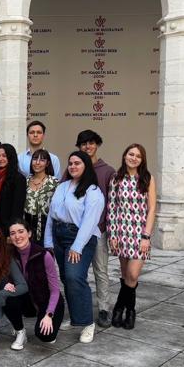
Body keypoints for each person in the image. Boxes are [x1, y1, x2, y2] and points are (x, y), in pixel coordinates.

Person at [44, 151, 104, 343]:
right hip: (58, 235)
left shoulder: (93, 191)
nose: (73, 166)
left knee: (74, 276)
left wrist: (77, 247)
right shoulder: (62, 187)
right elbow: (51, 216)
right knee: (65, 277)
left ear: (86, 165)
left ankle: (87, 323)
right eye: (70, 163)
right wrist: (48, 242)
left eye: (77, 163)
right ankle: (76, 317)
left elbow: (89, 222)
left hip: (79, 237)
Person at [107, 144, 156, 330]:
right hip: (121, 232)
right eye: (131, 154)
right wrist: (112, 234)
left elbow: (152, 209)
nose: (133, 158)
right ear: (125, 155)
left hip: (139, 233)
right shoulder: (116, 178)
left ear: (142, 160)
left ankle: (124, 308)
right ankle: (126, 311)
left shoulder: (147, 178)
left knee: (133, 274)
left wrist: (146, 236)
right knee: (126, 275)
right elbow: (111, 207)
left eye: (138, 156)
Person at [76, 129, 115, 328]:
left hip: (98, 230)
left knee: (100, 270)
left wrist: (109, 229)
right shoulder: (74, 167)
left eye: (91, 143)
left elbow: (112, 203)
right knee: (76, 272)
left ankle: (103, 309)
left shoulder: (107, 171)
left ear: (97, 145)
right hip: (77, 231)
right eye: (83, 144)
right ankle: (77, 307)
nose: (87, 147)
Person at [5, 220, 65, 349]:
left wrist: (49, 314)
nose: (17, 236)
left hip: (47, 300)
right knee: (6, 297)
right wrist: (8, 285)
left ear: (30, 233)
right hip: (27, 298)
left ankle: (45, 318)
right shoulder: (10, 255)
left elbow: (55, 291)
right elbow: (8, 277)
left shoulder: (44, 255)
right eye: (13, 233)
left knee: (45, 336)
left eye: (21, 232)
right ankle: (20, 331)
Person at [0, 144, 26, 236]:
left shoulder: (18, 179)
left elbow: (17, 209)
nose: (0, 159)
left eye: (4, 156)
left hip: (8, 229)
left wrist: (12, 231)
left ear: (11, 157)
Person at [24, 149, 58, 246]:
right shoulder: (25, 181)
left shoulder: (54, 182)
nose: (37, 162)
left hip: (46, 224)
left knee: (44, 256)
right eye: (35, 159)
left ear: (47, 163)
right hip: (27, 224)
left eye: (42, 160)